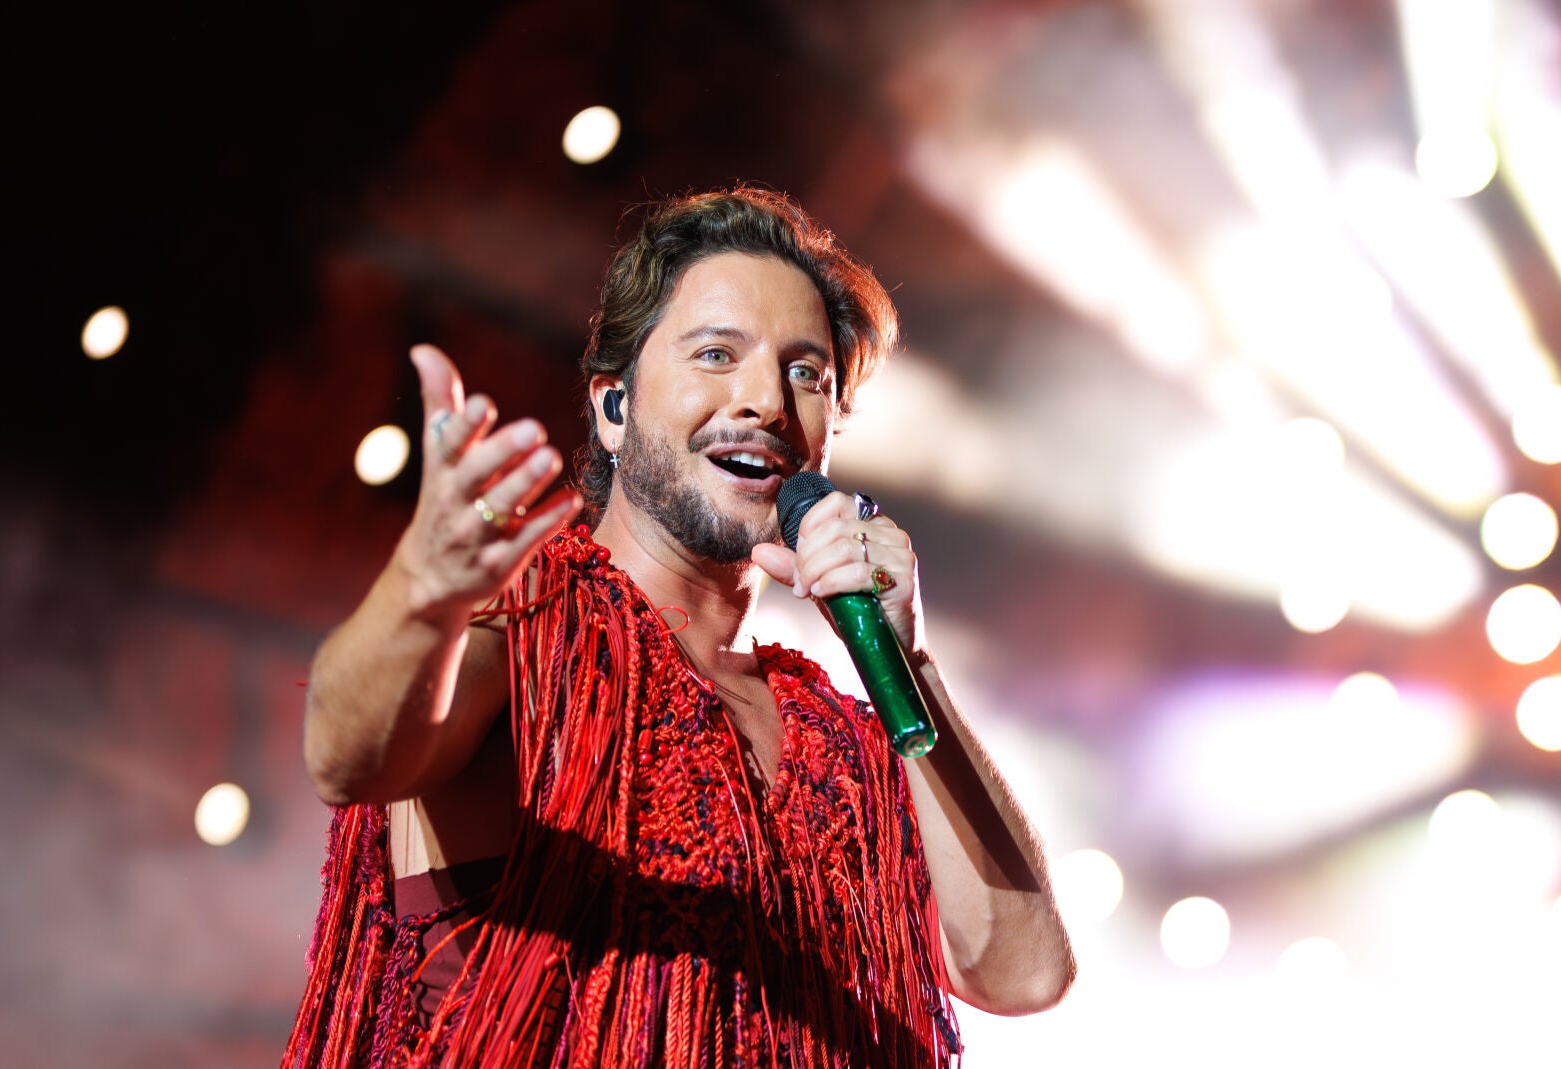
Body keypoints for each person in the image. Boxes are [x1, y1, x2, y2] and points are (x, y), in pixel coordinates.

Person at [281, 188, 1073, 1069]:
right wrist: (424, 591)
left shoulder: (845, 742)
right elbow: (346, 757)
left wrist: (909, 660)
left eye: (806, 374)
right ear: (614, 407)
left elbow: (1026, 972)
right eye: (716, 354)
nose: (766, 399)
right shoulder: (537, 621)